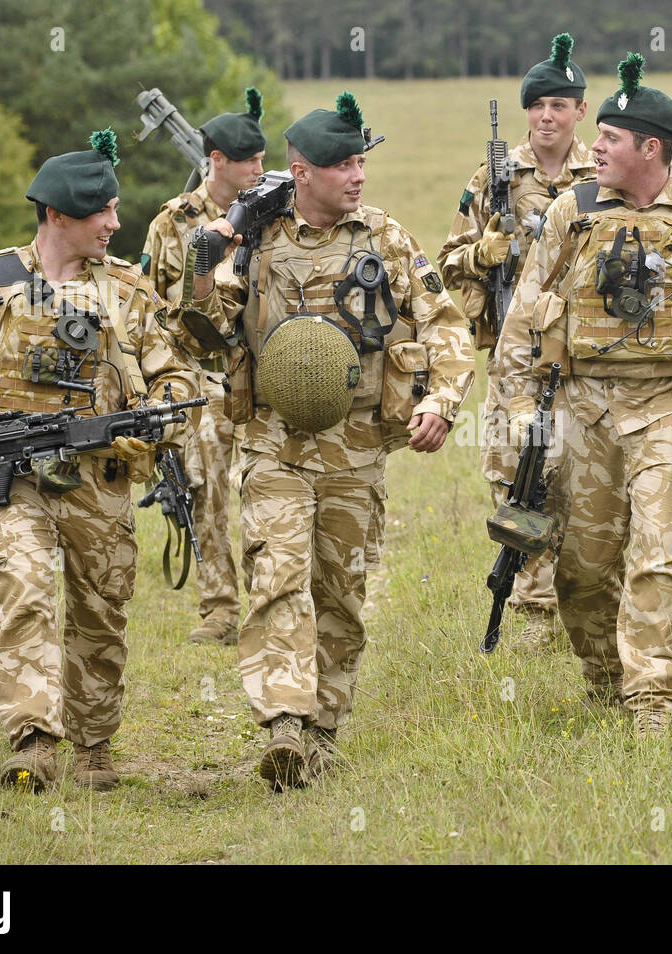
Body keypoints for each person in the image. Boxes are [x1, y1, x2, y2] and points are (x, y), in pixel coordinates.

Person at [187, 93, 474, 790]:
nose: (357, 176)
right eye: (342, 164)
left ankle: (322, 729)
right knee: (278, 578)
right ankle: (284, 720)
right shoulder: (250, 240)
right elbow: (199, 334)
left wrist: (441, 398)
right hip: (273, 446)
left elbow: (447, 326)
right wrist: (202, 268)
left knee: (341, 594)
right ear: (300, 172)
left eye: (360, 162)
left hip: (356, 450)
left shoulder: (385, 238)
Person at [0, 129, 200, 791]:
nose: (116, 223)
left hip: (102, 483)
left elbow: (178, 381)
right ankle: (34, 743)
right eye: (102, 212)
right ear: (57, 216)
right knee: (26, 590)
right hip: (14, 484)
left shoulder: (126, 292)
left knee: (101, 616)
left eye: (116, 209)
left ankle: (94, 750)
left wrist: (150, 429)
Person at [496, 54, 672, 737]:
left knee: (659, 551)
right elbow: (524, 320)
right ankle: (604, 678)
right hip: (582, 409)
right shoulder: (572, 212)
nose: (594, 149)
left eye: (610, 141)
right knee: (582, 569)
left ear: (651, 149)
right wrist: (515, 415)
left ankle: (655, 699)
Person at [438, 33, 595, 649]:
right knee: (518, 469)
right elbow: (447, 263)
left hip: (584, 353)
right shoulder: (494, 177)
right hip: (516, 350)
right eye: (538, 107)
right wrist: (483, 252)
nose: (547, 117)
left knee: (581, 471)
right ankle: (531, 608)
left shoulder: (599, 174)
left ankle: (578, 597)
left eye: (560, 105)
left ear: (581, 111)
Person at [141, 87, 267, 646]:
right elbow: (147, 306)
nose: (259, 171)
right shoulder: (173, 223)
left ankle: (274, 599)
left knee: (267, 485)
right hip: (199, 374)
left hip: (264, 370)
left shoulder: (272, 211)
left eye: (264, 160)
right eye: (249, 162)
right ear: (215, 160)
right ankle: (219, 608)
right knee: (207, 485)